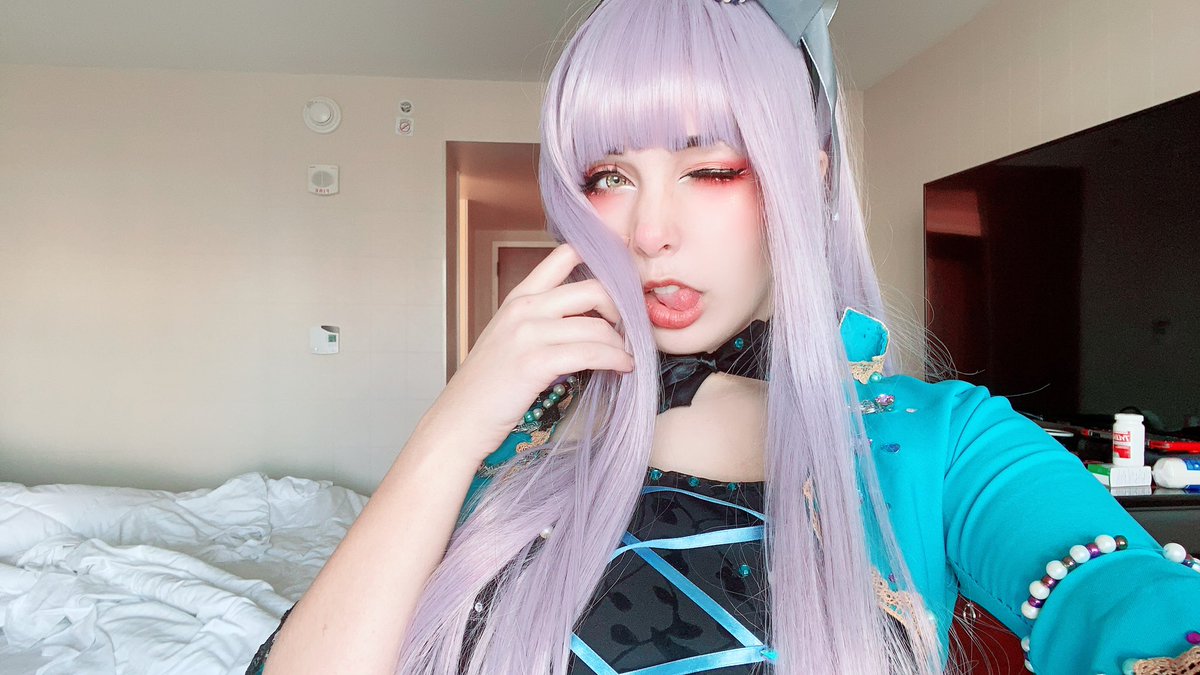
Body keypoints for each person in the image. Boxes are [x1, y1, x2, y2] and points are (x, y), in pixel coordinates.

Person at [251, 1, 1200, 673]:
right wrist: (452, 427)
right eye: (609, 176)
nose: (649, 230)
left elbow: (1120, 597)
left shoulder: (941, 441)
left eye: (711, 169)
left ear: (807, 178)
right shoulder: (514, 441)